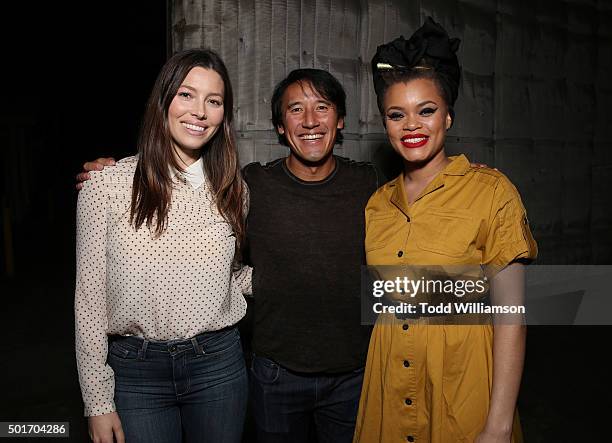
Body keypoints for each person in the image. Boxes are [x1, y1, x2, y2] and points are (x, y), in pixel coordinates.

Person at [352, 18, 538, 443]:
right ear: (386, 124)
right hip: (389, 389)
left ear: (449, 116)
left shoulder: (492, 192)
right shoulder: (376, 206)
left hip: (461, 387)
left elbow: (512, 316)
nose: (411, 125)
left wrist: (499, 425)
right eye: (397, 115)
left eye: (427, 111)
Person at [75, 49, 251, 443]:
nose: (200, 111)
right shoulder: (106, 186)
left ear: (224, 116)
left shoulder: (234, 191)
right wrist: (97, 401)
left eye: (214, 101)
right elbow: (89, 302)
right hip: (136, 373)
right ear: (164, 100)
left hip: (218, 366)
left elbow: (233, 276)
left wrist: (301, 279)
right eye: (187, 95)